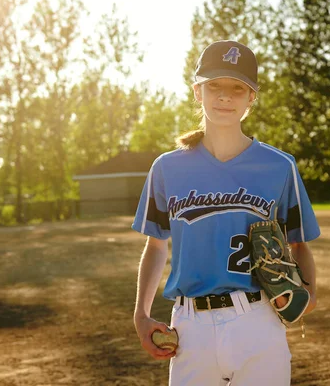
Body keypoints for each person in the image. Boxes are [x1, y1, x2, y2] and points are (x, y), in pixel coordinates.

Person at [132, 40, 320, 386]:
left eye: (237, 88)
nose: (224, 97)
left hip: (259, 322)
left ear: (251, 98)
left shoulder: (279, 166)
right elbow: (156, 246)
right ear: (197, 92)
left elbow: (300, 245)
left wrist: (309, 293)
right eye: (214, 86)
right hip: (190, 328)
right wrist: (141, 315)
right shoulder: (166, 169)